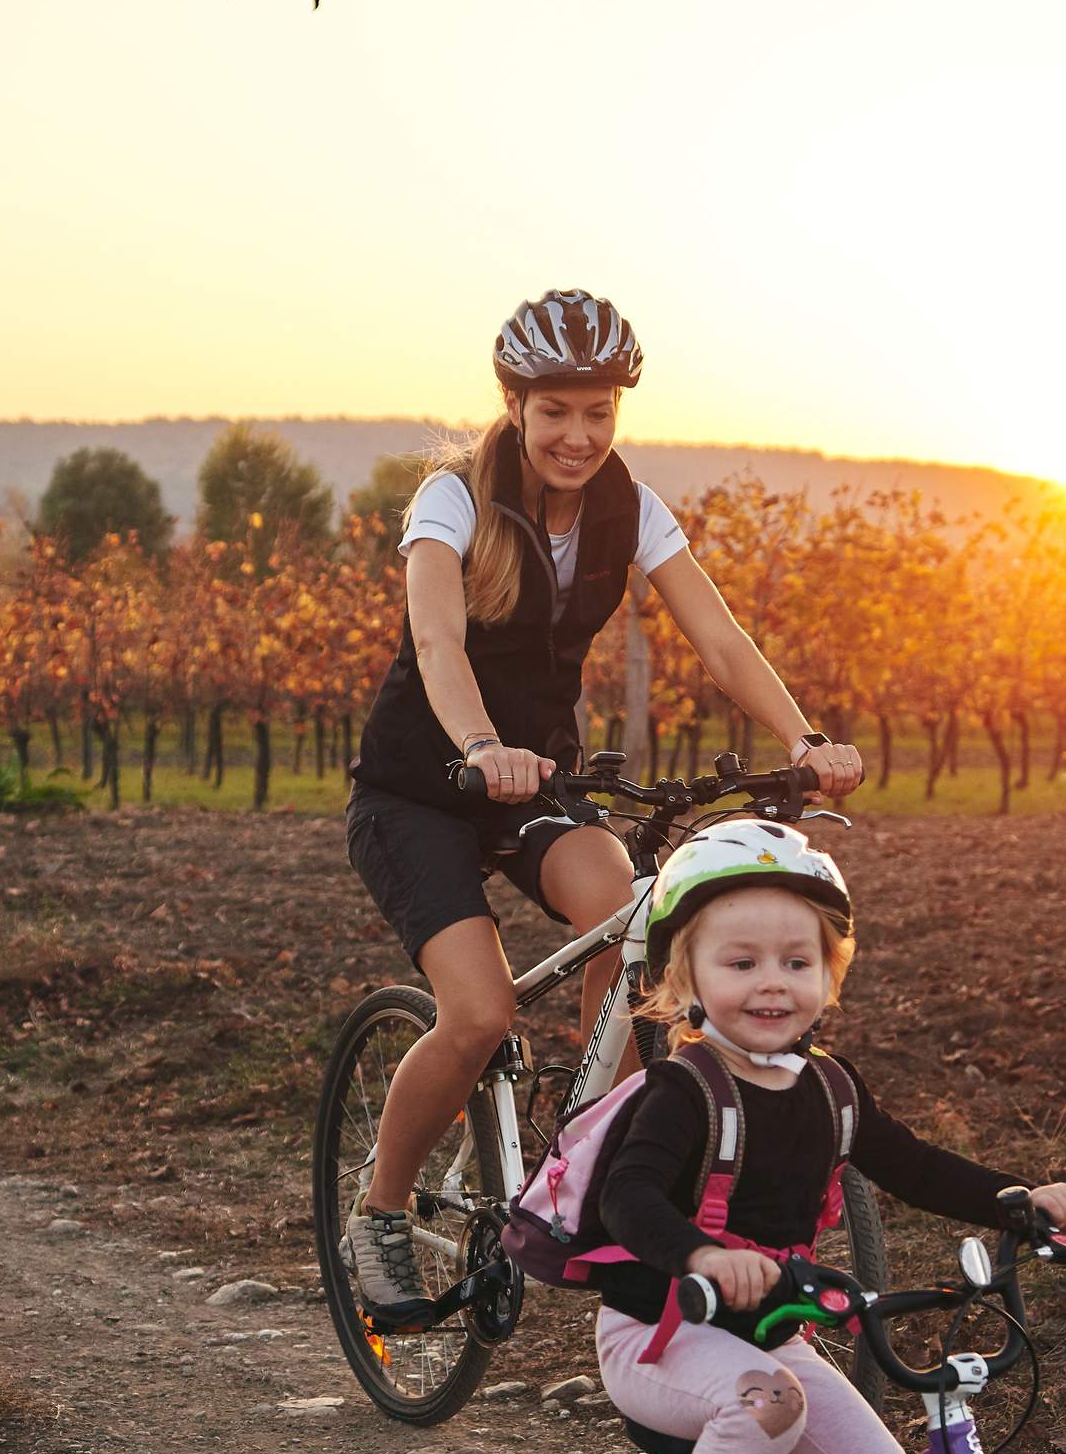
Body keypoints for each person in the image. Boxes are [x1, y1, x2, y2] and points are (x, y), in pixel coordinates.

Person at [339, 288, 867, 1311]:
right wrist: (484, 746)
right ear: (515, 403)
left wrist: (802, 739)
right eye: (556, 412)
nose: (578, 436)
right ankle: (383, 1212)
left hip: (540, 781)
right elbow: (439, 644)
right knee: (484, 1013)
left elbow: (719, 638)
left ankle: (588, 1157)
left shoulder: (631, 507)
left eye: (598, 413)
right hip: (421, 787)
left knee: (634, 912)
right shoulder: (452, 500)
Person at [590, 822, 1066, 1454]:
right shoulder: (684, 1090)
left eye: (796, 961)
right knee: (769, 1399)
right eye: (740, 962)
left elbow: (914, 1166)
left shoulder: (831, 1089)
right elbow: (626, 1199)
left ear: (830, 975)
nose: (771, 982)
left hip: (766, 1335)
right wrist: (700, 1259)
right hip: (658, 1334)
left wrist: (1017, 1200)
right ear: (685, 980)